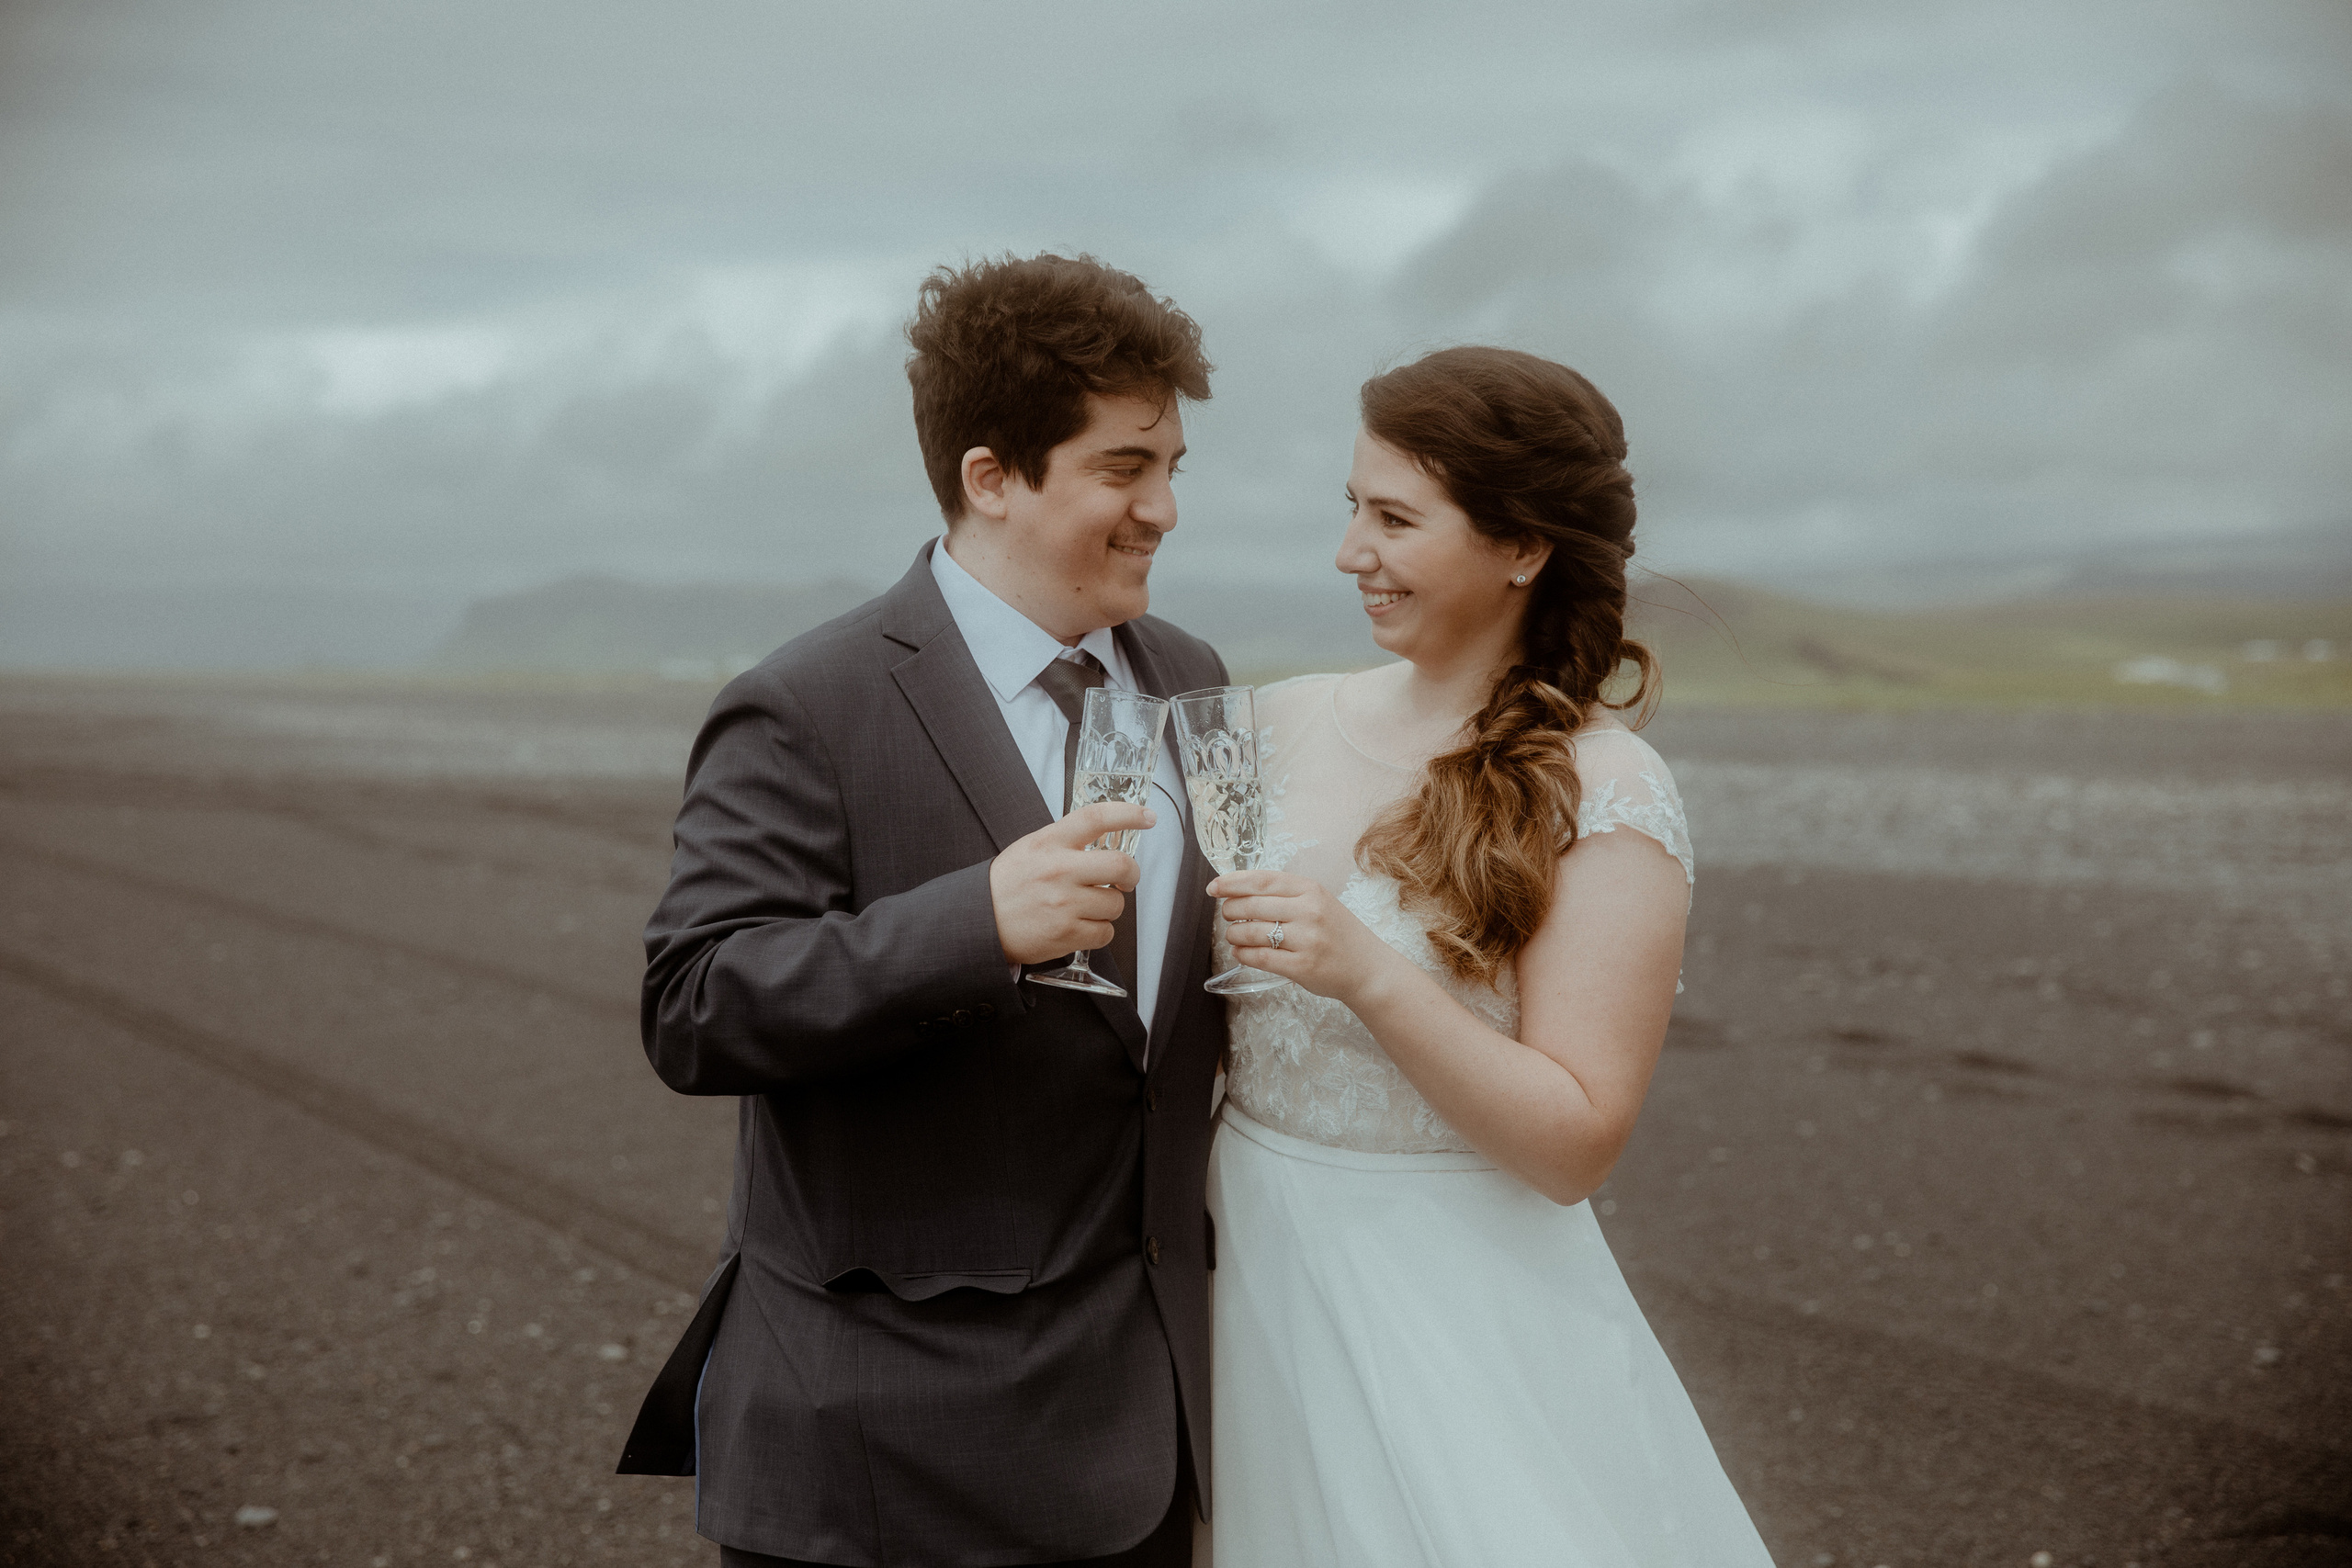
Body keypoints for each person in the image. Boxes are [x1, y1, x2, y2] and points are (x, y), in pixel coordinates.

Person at [616, 253, 1229, 1568]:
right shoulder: (807, 704)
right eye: (1125, 469)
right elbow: (694, 1005)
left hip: (1147, 1441)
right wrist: (976, 924)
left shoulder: (1191, 678)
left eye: (1174, 466)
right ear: (991, 477)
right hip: (883, 1453)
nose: (1166, 509)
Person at [1202, 346, 1776, 1565]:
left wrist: (1368, 974)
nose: (1350, 552)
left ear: (1520, 547)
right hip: (1235, 1265)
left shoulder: (1606, 788)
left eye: (1394, 519)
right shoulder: (1270, 720)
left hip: (1450, 1310)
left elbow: (1575, 1143)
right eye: (1351, 508)